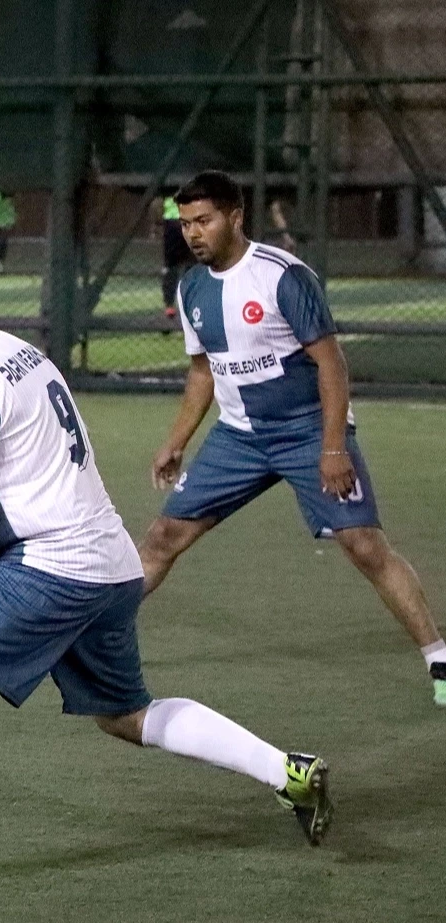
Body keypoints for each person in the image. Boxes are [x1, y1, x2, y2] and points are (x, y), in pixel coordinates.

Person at [0, 244, 332, 893]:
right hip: (108, 561)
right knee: (125, 713)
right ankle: (288, 771)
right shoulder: (18, 352)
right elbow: (30, 460)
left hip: (53, 562)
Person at [138, 171, 445, 705]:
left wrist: (333, 447)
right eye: (185, 223)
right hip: (239, 438)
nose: (193, 233)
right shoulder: (190, 287)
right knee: (164, 537)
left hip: (307, 432)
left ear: (236, 217)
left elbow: (332, 364)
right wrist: (177, 439)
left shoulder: (283, 276)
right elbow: (203, 371)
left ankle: (438, 657)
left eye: (203, 221)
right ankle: (93, 635)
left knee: (364, 545)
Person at [156, 194, 194, 318]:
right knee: (179, 265)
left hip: (181, 221)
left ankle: (173, 304)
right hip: (180, 221)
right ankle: (175, 304)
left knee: (180, 265)